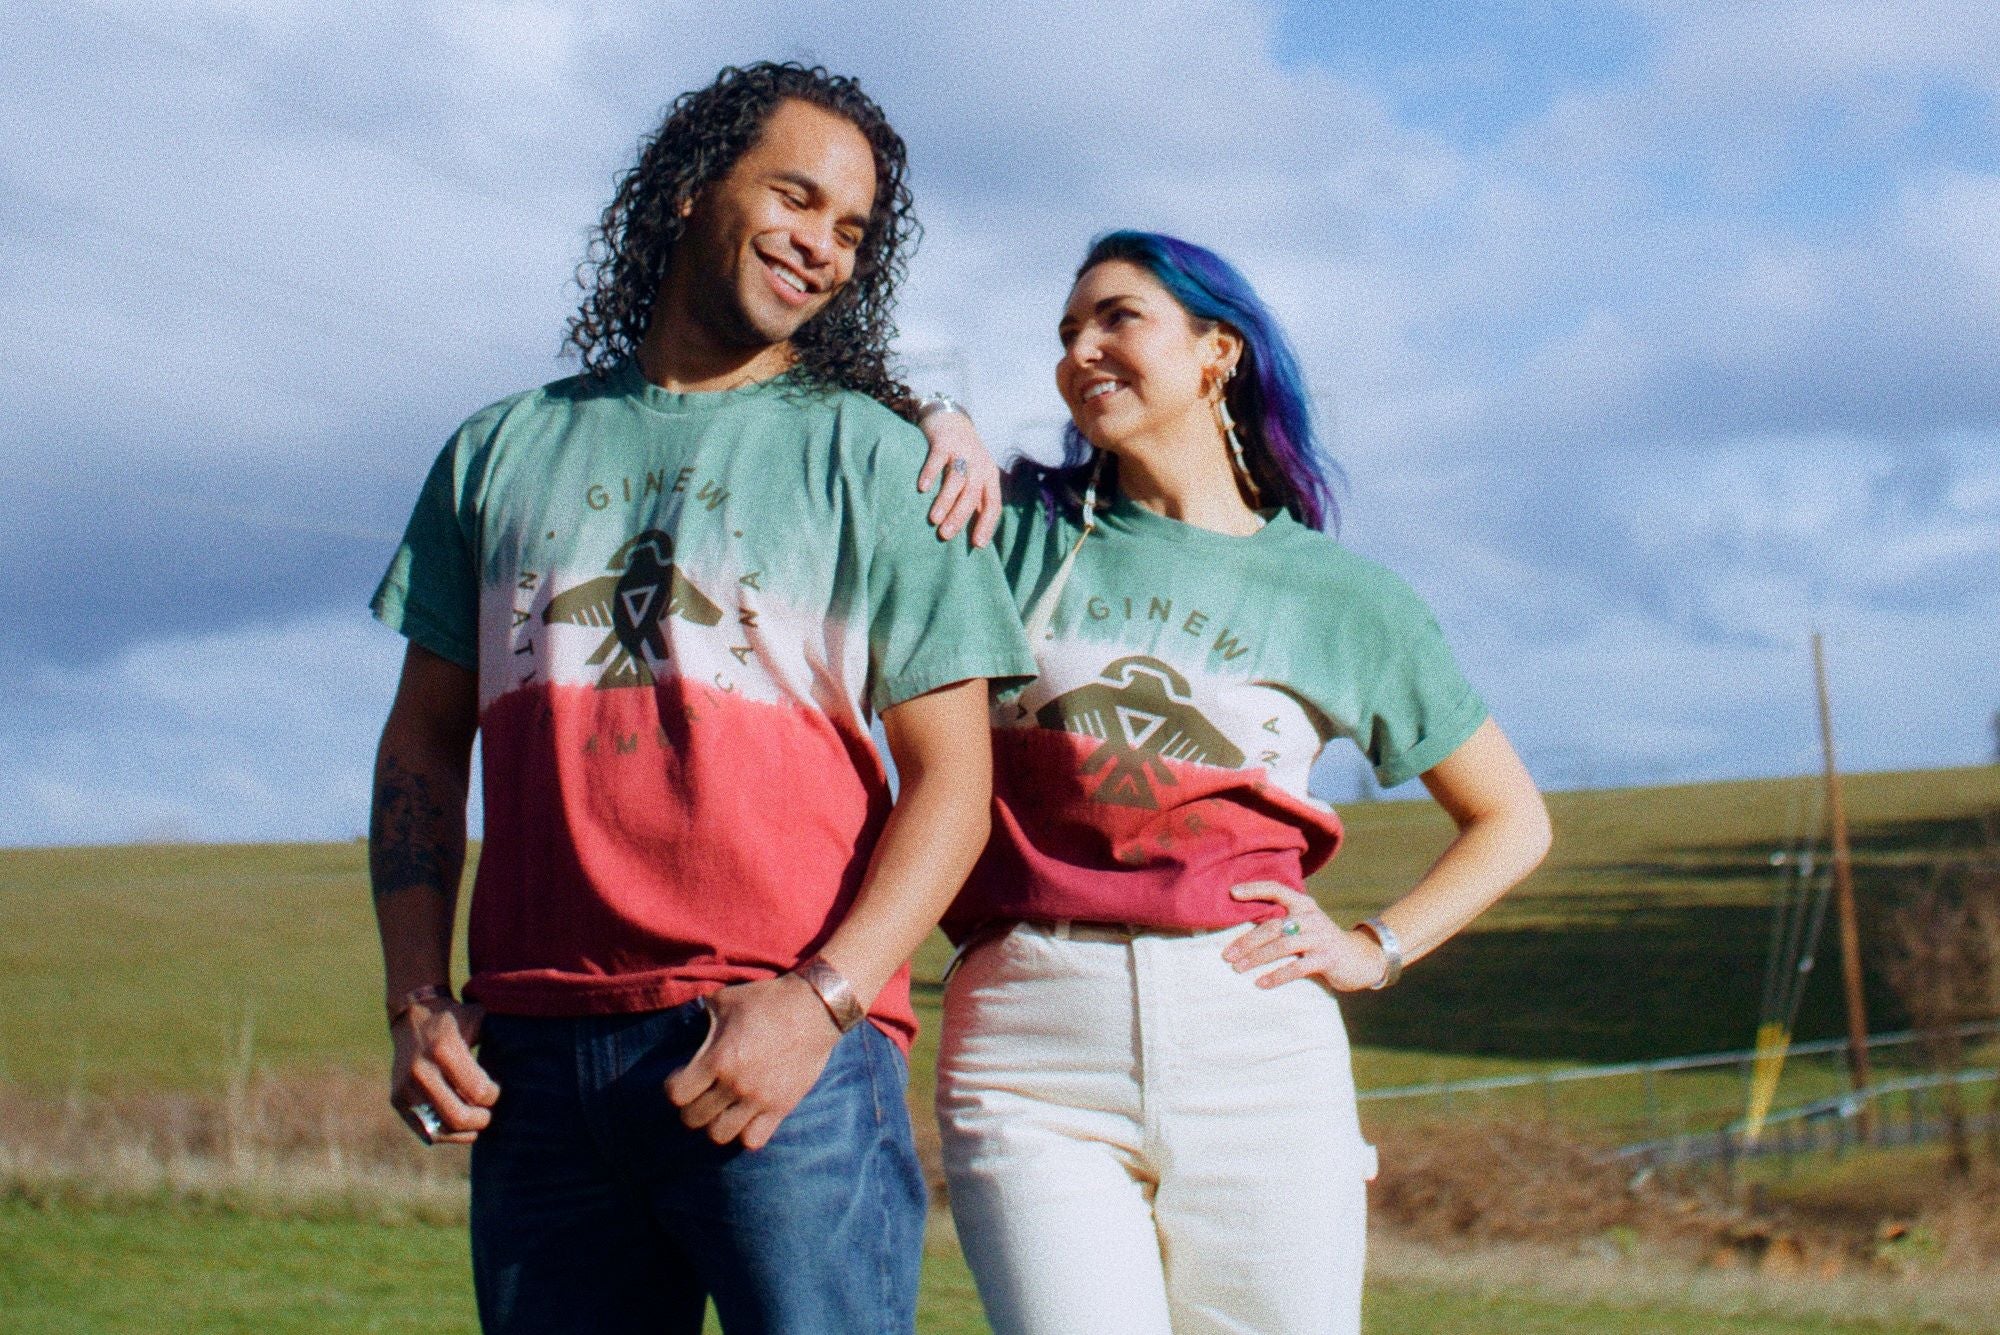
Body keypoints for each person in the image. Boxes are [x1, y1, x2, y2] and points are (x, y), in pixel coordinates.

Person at [365, 62, 1034, 1334]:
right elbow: (420, 745)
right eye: (795, 198)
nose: (822, 249)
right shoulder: (494, 449)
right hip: (534, 1066)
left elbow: (956, 785)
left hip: (786, 1054)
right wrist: (415, 994)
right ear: (685, 189)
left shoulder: (884, 460)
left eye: (852, 232)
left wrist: (818, 1004)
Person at [918, 231, 1553, 1335]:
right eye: (1067, 333)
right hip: (1029, 1041)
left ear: (1217, 351)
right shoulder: (1011, 535)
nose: (1081, 351)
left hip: (1255, 1035)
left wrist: (1372, 949)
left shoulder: (1338, 596)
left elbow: (1509, 819)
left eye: (1117, 317)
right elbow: (839, 432)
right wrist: (933, 416)